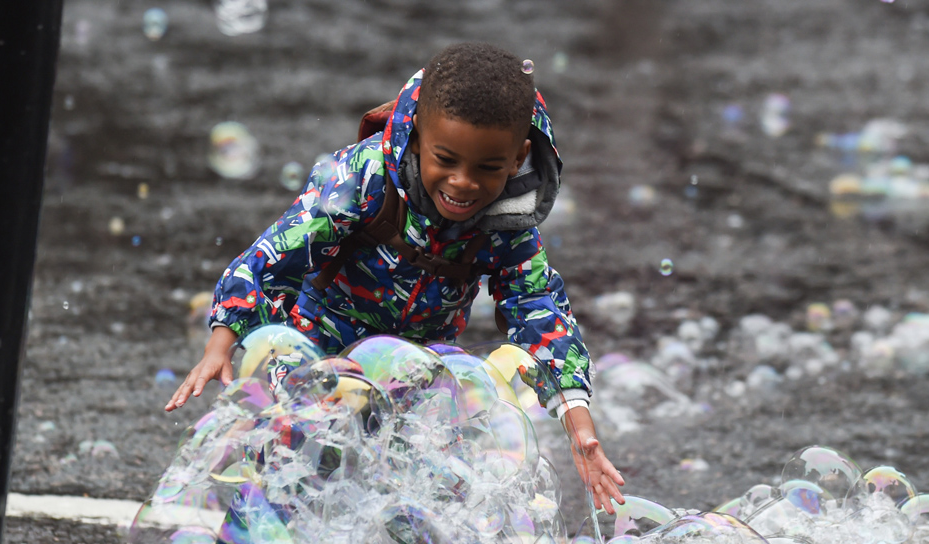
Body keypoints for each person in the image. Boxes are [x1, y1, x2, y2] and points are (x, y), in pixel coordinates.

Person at [165, 42, 624, 518]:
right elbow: (274, 256)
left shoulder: (509, 223)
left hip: (418, 368)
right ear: (419, 139)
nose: (463, 182)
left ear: (517, 158)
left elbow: (539, 311)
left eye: (487, 168)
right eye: (445, 159)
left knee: (420, 499)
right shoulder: (363, 178)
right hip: (321, 344)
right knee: (294, 467)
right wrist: (222, 340)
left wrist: (578, 421)